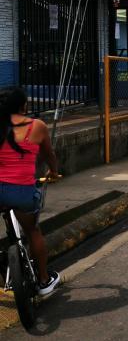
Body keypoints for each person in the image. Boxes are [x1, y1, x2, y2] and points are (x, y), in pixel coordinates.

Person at [0, 87, 62, 297]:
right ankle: (44, 280)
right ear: (22, 105)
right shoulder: (37, 126)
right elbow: (49, 154)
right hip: (22, 192)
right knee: (33, 231)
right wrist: (53, 172)